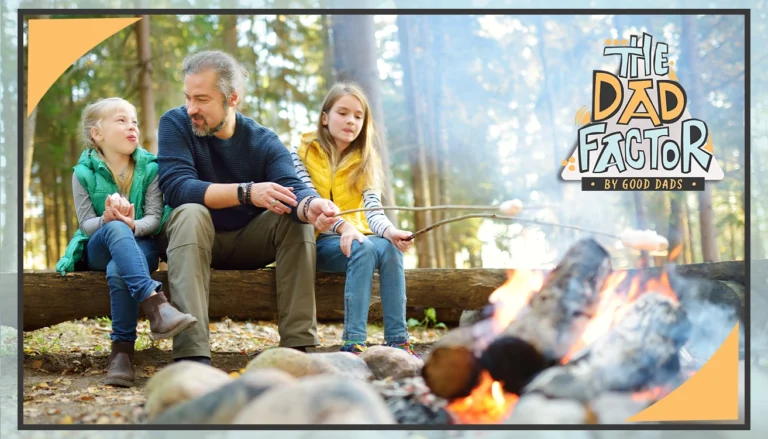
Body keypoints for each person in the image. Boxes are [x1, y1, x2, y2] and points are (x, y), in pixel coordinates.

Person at [156, 50, 339, 365]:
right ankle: (192, 356)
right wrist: (247, 192)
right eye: (187, 97)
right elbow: (176, 187)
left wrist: (313, 205)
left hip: (248, 241)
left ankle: (299, 350)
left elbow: (292, 186)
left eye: (201, 99)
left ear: (232, 99)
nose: (190, 109)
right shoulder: (175, 123)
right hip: (192, 238)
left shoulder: (263, 140)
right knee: (189, 211)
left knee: (296, 219)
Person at [56, 97, 198, 387]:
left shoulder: (151, 169)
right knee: (115, 229)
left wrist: (132, 224)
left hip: (141, 244)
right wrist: (109, 220)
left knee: (118, 269)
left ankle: (121, 355)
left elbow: (155, 219)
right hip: (98, 246)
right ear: (97, 133)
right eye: (121, 121)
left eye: (134, 121)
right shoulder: (82, 174)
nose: (131, 126)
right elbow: (86, 224)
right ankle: (156, 303)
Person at [291, 82, 419, 357]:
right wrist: (344, 227)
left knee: (388, 247)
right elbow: (312, 204)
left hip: (355, 238)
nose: (351, 120)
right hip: (313, 241)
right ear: (325, 118)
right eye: (343, 112)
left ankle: (398, 340)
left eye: (358, 116)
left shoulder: (366, 160)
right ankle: (354, 344)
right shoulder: (301, 152)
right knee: (364, 246)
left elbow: (373, 210)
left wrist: (391, 232)